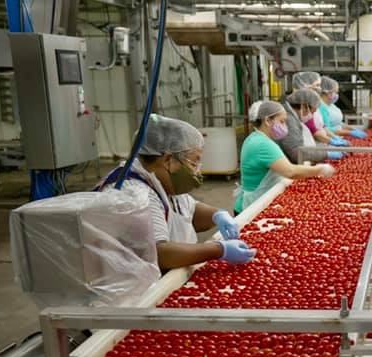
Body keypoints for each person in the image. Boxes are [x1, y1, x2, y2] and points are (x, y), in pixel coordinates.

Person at [99, 115, 255, 270]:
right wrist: (219, 250)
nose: (198, 170)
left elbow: (190, 211)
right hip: (138, 288)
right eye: (194, 162)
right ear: (168, 160)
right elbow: (159, 254)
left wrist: (218, 215)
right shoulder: (133, 192)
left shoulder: (162, 180)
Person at [236, 100, 335, 214]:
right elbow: (290, 171)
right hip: (253, 206)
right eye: (282, 121)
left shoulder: (255, 137)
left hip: (257, 200)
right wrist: (320, 169)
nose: (285, 126)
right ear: (267, 121)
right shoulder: (263, 144)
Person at [278, 89, 343, 164]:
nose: (311, 116)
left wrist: (326, 149)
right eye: (312, 112)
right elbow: (297, 153)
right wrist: (327, 154)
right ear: (304, 106)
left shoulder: (294, 117)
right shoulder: (289, 120)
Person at [291, 71, 348, 148]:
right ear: (305, 86)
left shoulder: (312, 103)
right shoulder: (301, 106)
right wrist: (331, 141)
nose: (320, 89)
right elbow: (314, 131)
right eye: (317, 85)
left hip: (316, 145)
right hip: (307, 147)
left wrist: (334, 138)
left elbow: (322, 127)